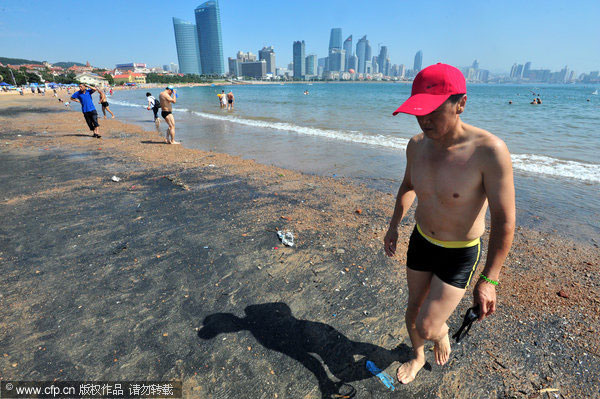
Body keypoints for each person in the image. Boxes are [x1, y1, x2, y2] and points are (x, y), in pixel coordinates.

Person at [384, 63, 515, 384]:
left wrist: (489, 279)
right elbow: (407, 187)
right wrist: (393, 225)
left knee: (428, 324)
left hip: (460, 252)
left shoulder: (489, 151)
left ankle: (439, 334)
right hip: (421, 240)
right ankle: (416, 356)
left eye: (432, 111)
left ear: (461, 104)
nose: (423, 120)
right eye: (418, 111)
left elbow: (504, 219)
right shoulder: (416, 146)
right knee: (413, 306)